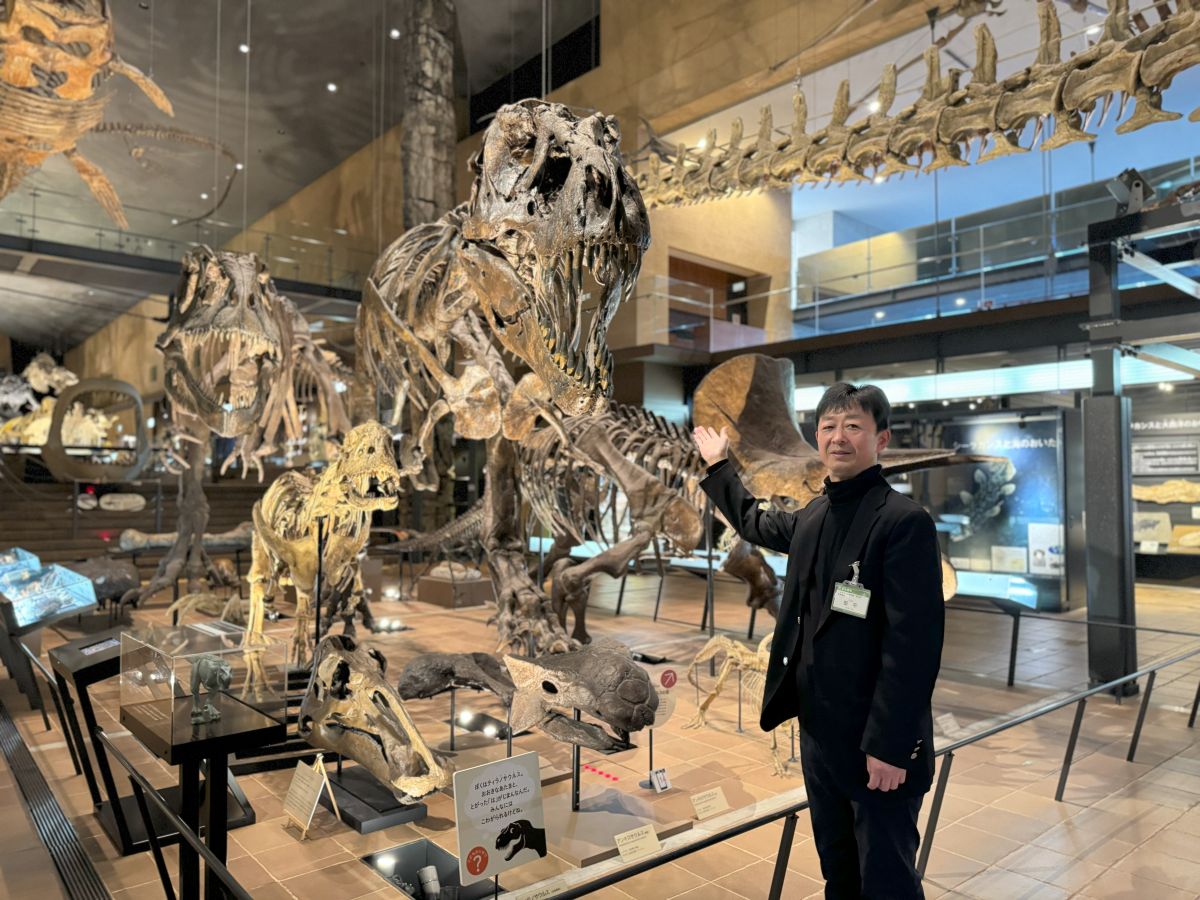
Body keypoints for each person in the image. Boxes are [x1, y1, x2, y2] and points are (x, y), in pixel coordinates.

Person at [692, 382, 944, 900]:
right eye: (829, 426)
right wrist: (718, 467)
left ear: (881, 439)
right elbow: (754, 522)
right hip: (821, 738)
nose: (839, 437)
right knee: (839, 872)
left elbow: (913, 649)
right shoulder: (814, 515)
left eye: (854, 426)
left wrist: (891, 747)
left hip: (875, 745)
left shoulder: (904, 522)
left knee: (888, 880)